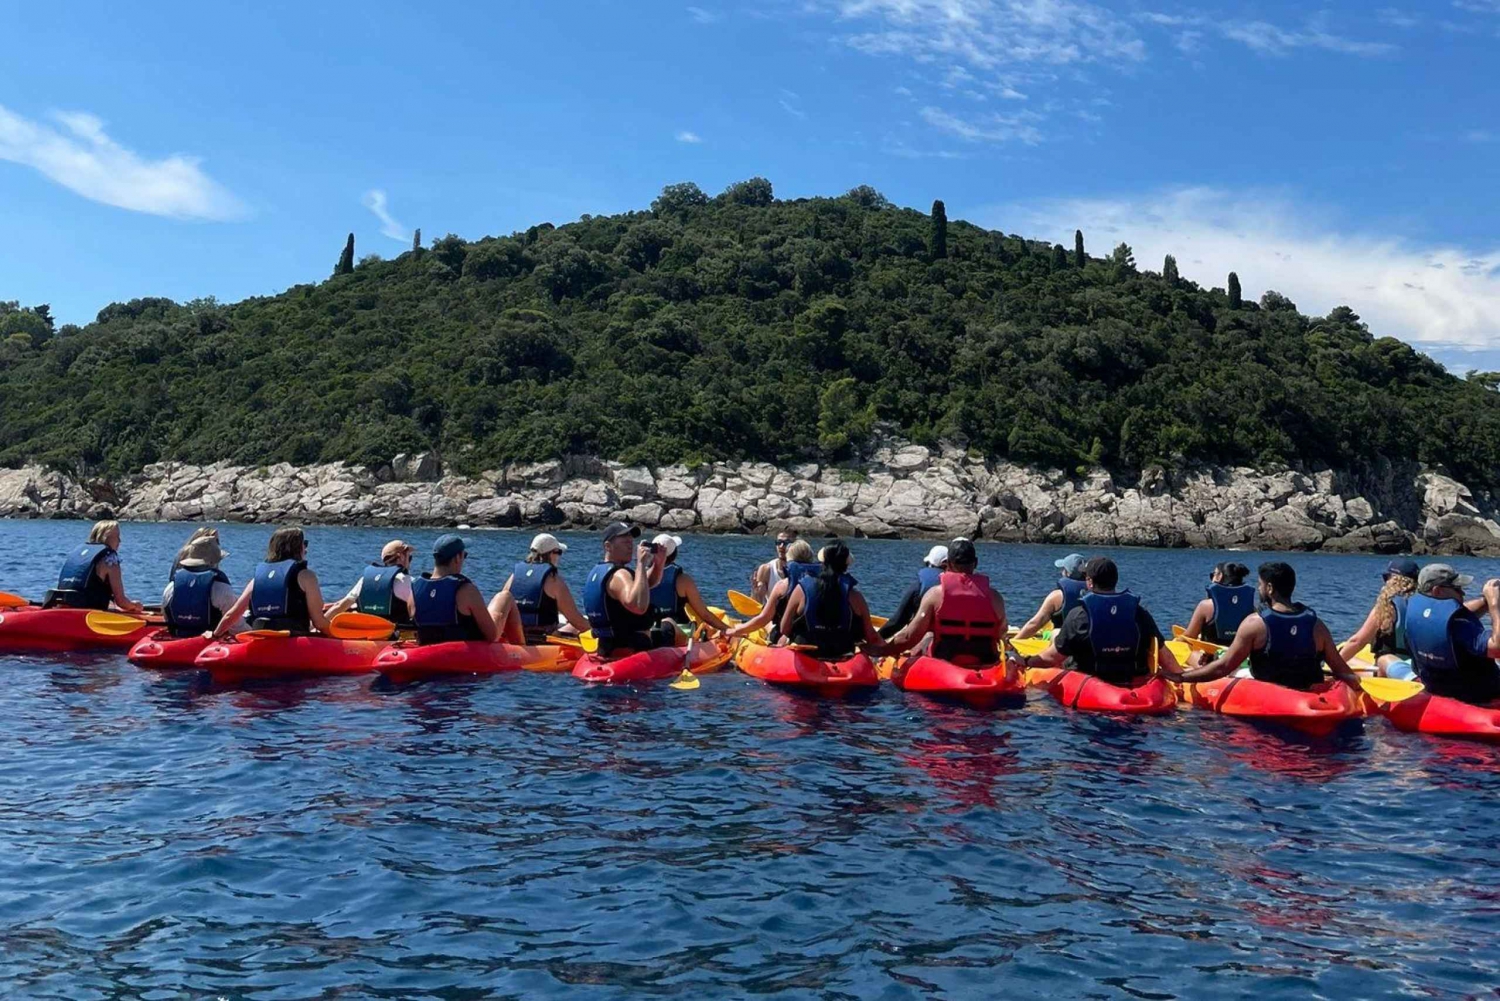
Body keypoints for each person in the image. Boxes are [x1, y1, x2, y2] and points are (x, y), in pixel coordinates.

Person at [1170, 561, 1360, 690]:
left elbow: (1223, 667)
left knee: (1234, 669)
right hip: (1306, 688)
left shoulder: (1255, 624)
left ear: (1269, 588)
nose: (1258, 589)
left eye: (1260, 585)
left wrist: (1183, 677)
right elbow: (1342, 670)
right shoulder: (1317, 626)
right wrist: (1357, 686)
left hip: (1267, 689)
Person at [1016, 556, 1184, 683]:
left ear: (1089, 582)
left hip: (1089, 681)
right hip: (1133, 681)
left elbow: (1051, 659)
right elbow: (1164, 655)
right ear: (1115, 580)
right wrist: (1181, 677)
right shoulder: (1139, 612)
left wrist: (1024, 661)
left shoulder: (1079, 616)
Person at [886, 540, 1007, 665]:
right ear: (975, 563)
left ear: (948, 564)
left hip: (944, 661)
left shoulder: (935, 595)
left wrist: (882, 650)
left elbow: (910, 636)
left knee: (927, 636)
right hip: (985, 661)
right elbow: (1001, 633)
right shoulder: (995, 597)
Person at [1402, 564, 1500, 705]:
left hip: (1437, 686)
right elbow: (1496, 648)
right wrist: (1494, 603)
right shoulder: (1459, 624)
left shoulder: (1415, 610)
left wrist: (1485, 601)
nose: (1463, 593)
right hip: (1479, 693)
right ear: (1438, 591)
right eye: (1457, 589)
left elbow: (1457, 616)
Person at [212, 526, 333, 637]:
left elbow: (232, 615)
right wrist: (338, 636)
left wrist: (215, 635)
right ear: (297, 547)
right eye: (304, 544)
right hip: (293, 640)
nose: (306, 549)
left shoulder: (256, 580)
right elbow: (319, 622)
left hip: (261, 637)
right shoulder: (307, 576)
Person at [777, 540, 887, 659]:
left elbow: (784, 628)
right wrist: (889, 650)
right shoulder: (855, 596)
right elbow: (870, 635)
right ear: (846, 565)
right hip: (843, 654)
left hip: (807, 654)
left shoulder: (801, 590)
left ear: (822, 563)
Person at [582, 522, 674, 656]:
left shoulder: (599, 571)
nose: (631, 546)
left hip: (606, 645)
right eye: (625, 542)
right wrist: (641, 564)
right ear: (608, 546)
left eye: (631, 541)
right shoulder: (620, 574)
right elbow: (638, 605)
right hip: (633, 645)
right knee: (669, 625)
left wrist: (658, 563)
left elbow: (643, 585)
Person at [411, 534, 511, 644]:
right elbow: (491, 635)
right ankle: (525, 649)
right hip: (461, 652)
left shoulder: (414, 589)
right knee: (505, 597)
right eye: (465, 555)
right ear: (457, 558)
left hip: (427, 647)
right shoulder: (466, 590)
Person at [495, 533, 589, 644]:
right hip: (541, 639)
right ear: (551, 554)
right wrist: (597, 631)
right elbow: (576, 620)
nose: (559, 557)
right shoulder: (553, 580)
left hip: (515, 634)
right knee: (574, 628)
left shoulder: (515, 575)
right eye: (559, 552)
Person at [1338, 559, 1419, 676]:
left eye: (1386, 577)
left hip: (1387, 672)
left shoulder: (1387, 606)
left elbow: (1358, 641)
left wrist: (1332, 666)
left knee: (1342, 655)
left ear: (1393, 579)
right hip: (1415, 667)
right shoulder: (1423, 605)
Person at [726, 540, 820, 641]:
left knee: (768, 625)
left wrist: (736, 630)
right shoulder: (824, 584)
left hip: (791, 637)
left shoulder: (782, 585)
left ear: (789, 560)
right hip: (819, 637)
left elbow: (764, 619)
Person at [44, 519, 144, 613]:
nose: (120, 541)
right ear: (107, 537)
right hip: (88, 612)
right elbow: (121, 602)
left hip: (63, 604)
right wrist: (134, 606)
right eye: (117, 536)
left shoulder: (80, 552)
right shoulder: (110, 559)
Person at [646, 534, 730, 640]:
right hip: (676, 632)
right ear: (674, 555)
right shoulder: (683, 580)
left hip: (649, 630)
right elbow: (705, 615)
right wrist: (728, 630)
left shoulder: (640, 575)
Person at [162, 533, 241, 637]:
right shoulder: (220, 587)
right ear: (214, 562)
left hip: (178, 638)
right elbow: (237, 627)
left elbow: (166, 615)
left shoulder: (171, 586)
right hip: (211, 642)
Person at [324, 540, 416, 624]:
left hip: (367, 631)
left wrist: (315, 627)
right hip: (395, 634)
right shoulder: (407, 581)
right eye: (409, 557)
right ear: (401, 557)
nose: (409, 562)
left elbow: (339, 606)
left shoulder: (365, 580)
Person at [878, 545, 949, 640]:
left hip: (924, 642)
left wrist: (876, 639)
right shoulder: (962, 587)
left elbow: (898, 622)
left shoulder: (919, 586)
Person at [1014, 553, 1088, 640]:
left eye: (1063, 569)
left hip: (1066, 645)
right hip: (1090, 643)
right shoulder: (1095, 592)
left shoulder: (1056, 596)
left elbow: (1035, 624)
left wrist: (1014, 641)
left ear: (1067, 573)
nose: (1061, 572)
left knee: (1055, 633)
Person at [1181, 562, 1255, 644]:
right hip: (1238, 654)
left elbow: (1189, 637)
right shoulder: (1251, 607)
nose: (1211, 579)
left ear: (1219, 576)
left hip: (1212, 654)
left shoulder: (1205, 606)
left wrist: (1176, 640)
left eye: (1212, 575)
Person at [751, 529, 797, 603]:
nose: (781, 546)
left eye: (786, 543)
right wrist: (755, 592)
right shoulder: (766, 570)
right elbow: (757, 602)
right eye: (778, 542)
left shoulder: (800, 570)